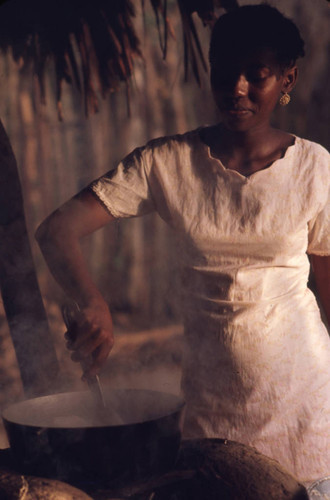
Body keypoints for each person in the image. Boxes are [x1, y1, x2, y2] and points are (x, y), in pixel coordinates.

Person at [36, 4, 330, 485]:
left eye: (256, 75)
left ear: (288, 80)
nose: (236, 88)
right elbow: (57, 230)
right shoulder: (166, 163)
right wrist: (91, 300)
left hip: (307, 413)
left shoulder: (315, 170)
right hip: (211, 418)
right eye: (225, 71)